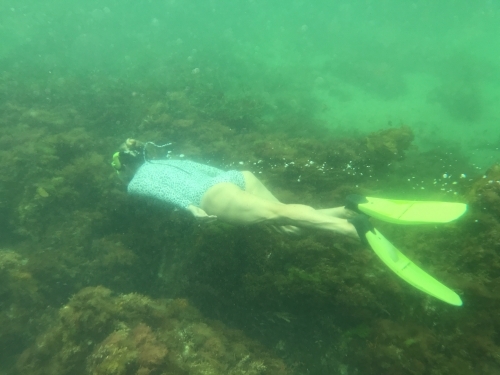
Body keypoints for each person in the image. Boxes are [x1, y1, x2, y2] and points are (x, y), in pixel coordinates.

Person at [111, 138, 360, 239]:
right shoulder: (162, 161)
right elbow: (199, 167)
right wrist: (230, 183)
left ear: (124, 168)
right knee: (289, 228)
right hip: (234, 178)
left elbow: (162, 193)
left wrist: (190, 208)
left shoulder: (136, 183)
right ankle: (345, 211)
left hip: (212, 195)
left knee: (278, 213)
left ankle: (353, 231)